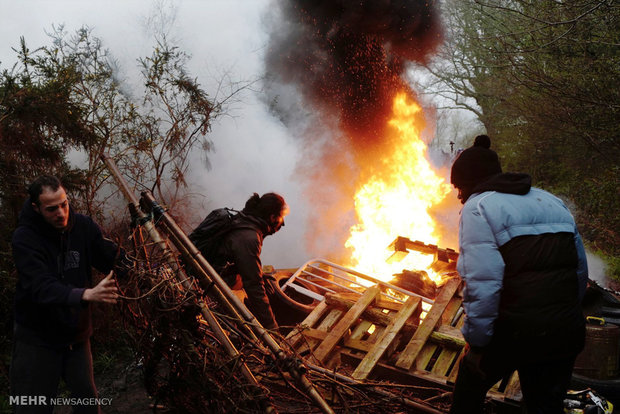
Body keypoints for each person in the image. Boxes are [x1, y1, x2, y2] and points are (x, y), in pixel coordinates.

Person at [449, 136, 588, 413]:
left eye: (458, 187)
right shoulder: (550, 200)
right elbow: (580, 271)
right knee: (545, 406)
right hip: (565, 330)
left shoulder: (478, 208)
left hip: (517, 331)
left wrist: (477, 346)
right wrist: (563, 313)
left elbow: (483, 285)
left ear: (470, 182)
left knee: (468, 388)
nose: (458, 196)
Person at [10, 175, 128, 414]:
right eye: (52, 209)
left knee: (88, 405)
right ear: (36, 207)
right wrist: (84, 294)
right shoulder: (25, 238)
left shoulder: (83, 227)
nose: (61, 213)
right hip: (37, 339)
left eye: (64, 204)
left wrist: (149, 269)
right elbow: (40, 287)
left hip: (76, 336)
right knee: (32, 408)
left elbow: (112, 259)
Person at [194, 192, 288, 331]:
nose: (282, 223)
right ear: (272, 217)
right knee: (256, 295)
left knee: (265, 283)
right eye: (281, 217)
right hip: (210, 285)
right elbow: (254, 286)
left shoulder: (242, 219)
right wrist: (272, 328)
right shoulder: (249, 237)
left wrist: (260, 275)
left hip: (207, 273)